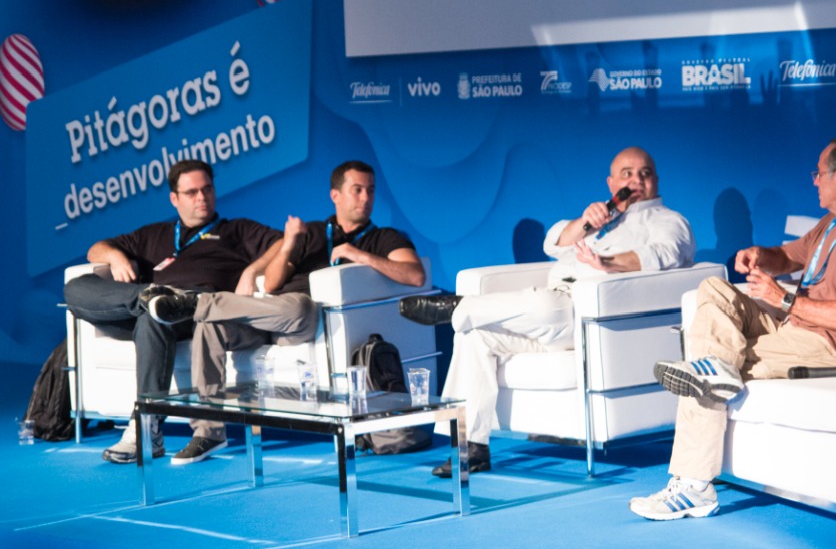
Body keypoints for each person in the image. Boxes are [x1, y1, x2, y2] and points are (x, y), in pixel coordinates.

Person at [629, 137, 836, 520]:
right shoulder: (831, 225)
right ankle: (716, 367)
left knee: (704, 370)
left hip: (825, 344)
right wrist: (760, 254)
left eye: (818, 174)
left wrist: (786, 300)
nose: (814, 181)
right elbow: (789, 256)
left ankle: (694, 485)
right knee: (713, 290)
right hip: (789, 327)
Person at [398, 146, 695, 477]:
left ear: (656, 180)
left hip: (588, 320)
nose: (636, 180)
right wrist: (587, 221)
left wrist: (607, 262)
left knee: (548, 304)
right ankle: (470, 447)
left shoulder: (669, 221)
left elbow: (664, 253)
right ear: (611, 183)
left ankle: (460, 306)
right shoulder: (602, 220)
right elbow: (553, 243)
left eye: (645, 173)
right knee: (475, 335)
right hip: (550, 322)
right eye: (627, 174)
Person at [155, 160, 425, 464]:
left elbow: (415, 274)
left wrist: (359, 255)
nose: (366, 198)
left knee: (299, 305)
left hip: (303, 322)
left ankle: (198, 304)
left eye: (371, 191)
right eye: (357, 190)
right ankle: (208, 431)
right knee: (211, 325)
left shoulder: (385, 237)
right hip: (267, 317)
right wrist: (289, 244)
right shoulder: (313, 232)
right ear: (335, 195)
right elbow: (271, 283)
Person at [63, 160, 281, 464]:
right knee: (76, 287)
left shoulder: (236, 230)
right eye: (191, 192)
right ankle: (147, 298)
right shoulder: (155, 234)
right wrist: (115, 257)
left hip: (192, 311)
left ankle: (146, 428)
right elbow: (95, 250)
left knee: (155, 317)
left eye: (207, 189)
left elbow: (283, 242)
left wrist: (252, 270)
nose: (202, 197)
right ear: (174, 199)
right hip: (138, 308)